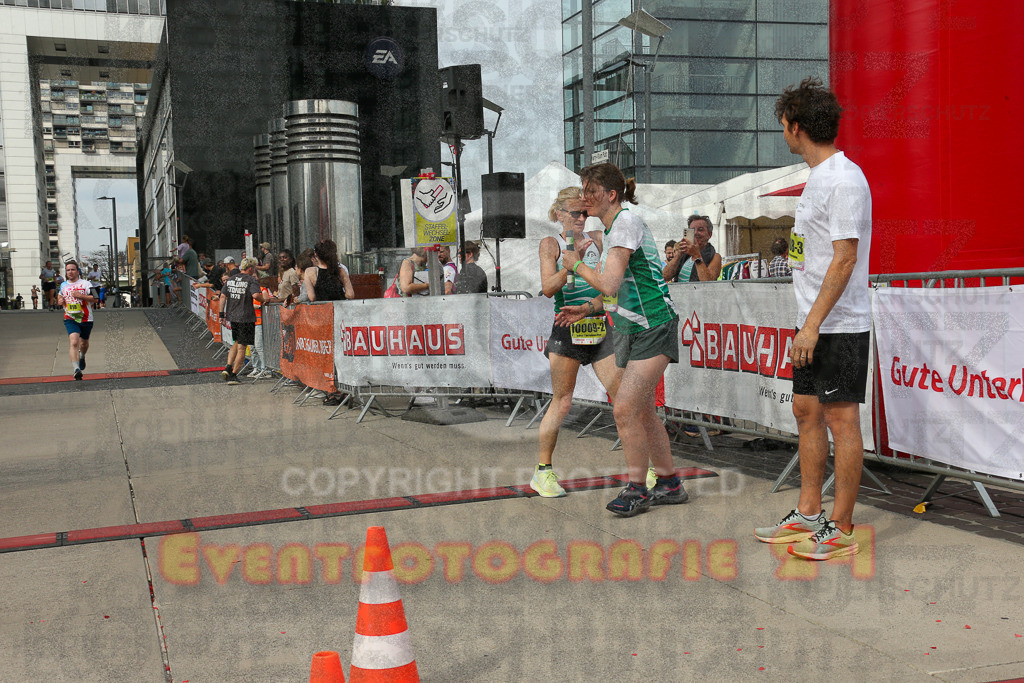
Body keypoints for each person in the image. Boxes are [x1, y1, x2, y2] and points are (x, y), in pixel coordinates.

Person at [754, 77, 873, 560]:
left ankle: (842, 525)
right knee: (806, 412)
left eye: (784, 124)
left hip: (838, 325)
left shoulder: (844, 179)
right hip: (814, 321)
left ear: (796, 126)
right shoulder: (819, 179)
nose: (783, 132)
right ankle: (808, 512)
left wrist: (812, 324)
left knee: (841, 420)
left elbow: (845, 258)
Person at [562, 163, 685, 516]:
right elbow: (618, 291)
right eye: (583, 190)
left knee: (624, 408)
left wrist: (576, 265)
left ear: (611, 195)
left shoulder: (626, 222)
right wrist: (587, 309)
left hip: (654, 324)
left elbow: (611, 283)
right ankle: (669, 483)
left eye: (591, 191)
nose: (584, 197)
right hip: (633, 328)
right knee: (643, 411)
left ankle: (637, 489)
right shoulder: (616, 226)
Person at [530, 187, 623, 498]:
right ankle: (543, 472)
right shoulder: (550, 244)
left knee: (621, 398)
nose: (582, 218)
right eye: (574, 213)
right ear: (559, 215)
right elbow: (547, 287)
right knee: (563, 402)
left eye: (584, 212)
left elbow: (610, 286)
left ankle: (644, 468)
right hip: (566, 329)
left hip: (596, 325)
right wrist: (572, 262)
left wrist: (591, 302)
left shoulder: (597, 238)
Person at [218, 257, 270, 384]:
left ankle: (228, 367)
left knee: (236, 342)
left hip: (233, 316)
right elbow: (256, 295)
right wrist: (264, 301)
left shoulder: (230, 279)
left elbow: (223, 296)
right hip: (246, 316)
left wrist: (221, 315)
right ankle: (234, 375)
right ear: (251, 268)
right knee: (242, 347)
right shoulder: (251, 280)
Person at [57, 260, 98, 380]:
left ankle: (82, 355)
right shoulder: (63, 285)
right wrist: (59, 300)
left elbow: (95, 299)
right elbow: (60, 294)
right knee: (74, 342)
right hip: (70, 317)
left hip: (86, 318)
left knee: (83, 343)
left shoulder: (86, 284)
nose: (70, 272)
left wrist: (81, 296)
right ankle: (76, 369)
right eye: (68, 270)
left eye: (72, 269)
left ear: (77, 271)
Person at [662, 214, 723, 284]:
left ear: (709, 234)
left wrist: (696, 255)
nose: (696, 233)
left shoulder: (715, 257)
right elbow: (665, 276)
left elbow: (708, 283)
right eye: (692, 230)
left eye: (700, 230)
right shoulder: (684, 255)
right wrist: (678, 255)